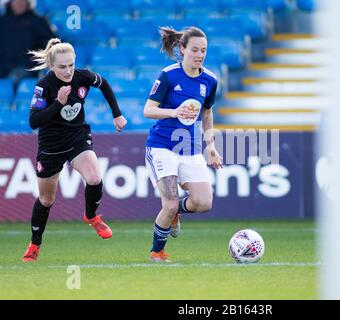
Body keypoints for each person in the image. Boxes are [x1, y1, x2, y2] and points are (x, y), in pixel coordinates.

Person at [22, 38, 128, 262]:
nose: (68, 70)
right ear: (52, 66)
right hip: (51, 146)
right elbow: (34, 121)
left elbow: (105, 84)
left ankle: (91, 217)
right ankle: (34, 244)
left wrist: (116, 114)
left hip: (77, 137)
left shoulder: (83, 76)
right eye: (62, 67)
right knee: (46, 199)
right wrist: (58, 103)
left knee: (95, 177)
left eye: (71, 64)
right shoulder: (44, 86)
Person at [143, 26, 223, 262]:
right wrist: (173, 112)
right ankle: (157, 252)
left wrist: (210, 146)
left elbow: (207, 113)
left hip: (189, 148)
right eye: (195, 50)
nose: (199, 55)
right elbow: (148, 110)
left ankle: (177, 211)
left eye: (204, 51)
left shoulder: (210, 80)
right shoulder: (168, 75)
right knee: (168, 205)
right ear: (182, 49)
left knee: (203, 202)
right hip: (161, 146)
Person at [0, 0, 56, 89]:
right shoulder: (2, 22)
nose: (19, 3)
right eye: (16, 1)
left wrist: (35, 59)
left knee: (14, 79)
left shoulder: (38, 21)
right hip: (3, 66)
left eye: (23, 1)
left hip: (26, 67)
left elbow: (52, 44)